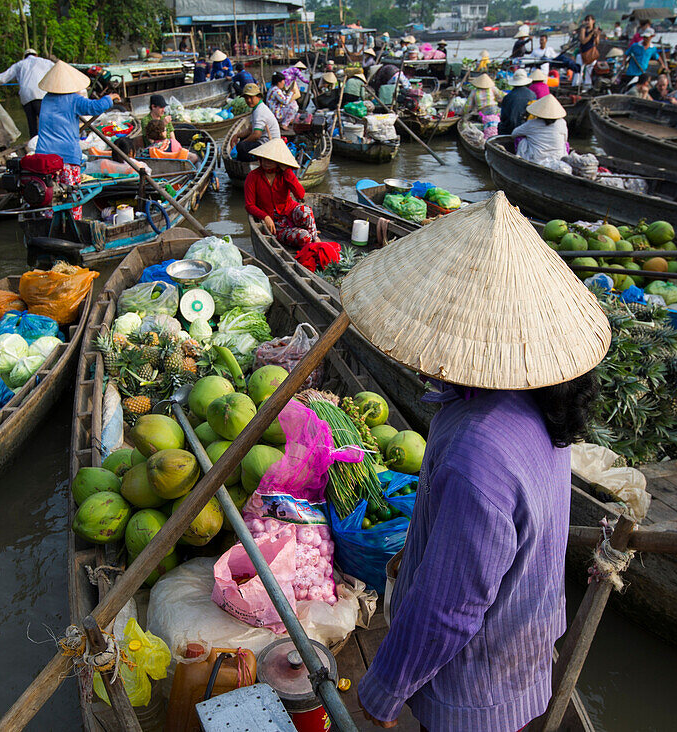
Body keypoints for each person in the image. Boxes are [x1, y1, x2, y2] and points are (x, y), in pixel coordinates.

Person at [351, 193, 610, 732]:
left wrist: (384, 691)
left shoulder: (479, 453)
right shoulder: (538, 398)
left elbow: (448, 609)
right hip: (524, 646)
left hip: (474, 686)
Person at [34, 61, 120, 220]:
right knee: (73, 196)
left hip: (44, 159)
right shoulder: (73, 99)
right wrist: (110, 97)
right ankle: (73, 223)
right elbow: (95, 107)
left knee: (49, 196)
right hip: (66, 157)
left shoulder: (46, 99)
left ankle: (47, 221)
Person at [243, 138, 318, 248]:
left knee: (305, 210)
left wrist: (287, 171)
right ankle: (310, 237)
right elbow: (249, 205)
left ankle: (315, 238)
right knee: (304, 237)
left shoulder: (285, 174)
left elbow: (300, 195)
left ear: (278, 162)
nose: (266, 163)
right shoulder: (253, 176)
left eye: (271, 160)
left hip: (290, 213)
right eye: (264, 159)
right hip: (276, 225)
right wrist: (265, 217)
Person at [0, 49, 54, 139]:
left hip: (26, 96)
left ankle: (34, 143)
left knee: (32, 124)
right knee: (46, 122)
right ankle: (50, 142)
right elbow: (59, 70)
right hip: (41, 94)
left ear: (25, 56)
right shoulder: (45, 62)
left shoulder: (19, 64)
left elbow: (3, 77)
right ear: (36, 55)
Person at [512, 94, 568, 163]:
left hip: (536, 159)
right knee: (565, 144)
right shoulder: (562, 123)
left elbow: (514, 134)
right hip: (558, 158)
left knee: (520, 139)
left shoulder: (532, 123)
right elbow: (565, 139)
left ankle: (521, 160)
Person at [235, 83, 280, 161]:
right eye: (246, 98)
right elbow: (250, 129)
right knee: (242, 141)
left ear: (258, 97)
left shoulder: (260, 111)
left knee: (241, 146)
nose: (248, 100)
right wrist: (237, 135)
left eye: (251, 97)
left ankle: (248, 163)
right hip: (265, 142)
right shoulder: (257, 109)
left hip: (269, 144)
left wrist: (243, 143)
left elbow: (256, 135)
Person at [464, 73, 503, 139]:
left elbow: (468, 106)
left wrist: (462, 113)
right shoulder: (492, 89)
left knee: (477, 118)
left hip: (483, 114)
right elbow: (501, 97)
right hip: (496, 112)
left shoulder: (474, 92)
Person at [498, 68, 535, 135]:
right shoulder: (532, 95)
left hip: (510, 129)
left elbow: (503, 117)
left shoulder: (508, 97)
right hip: (527, 128)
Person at [577, 15, 601, 90]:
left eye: (589, 20)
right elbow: (583, 41)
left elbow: (597, 43)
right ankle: (577, 86)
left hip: (591, 54)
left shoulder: (595, 30)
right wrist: (591, 34)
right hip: (583, 53)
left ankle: (587, 88)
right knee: (578, 71)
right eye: (586, 20)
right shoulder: (583, 29)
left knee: (589, 72)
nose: (587, 22)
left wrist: (596, 35)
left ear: (593, 21)